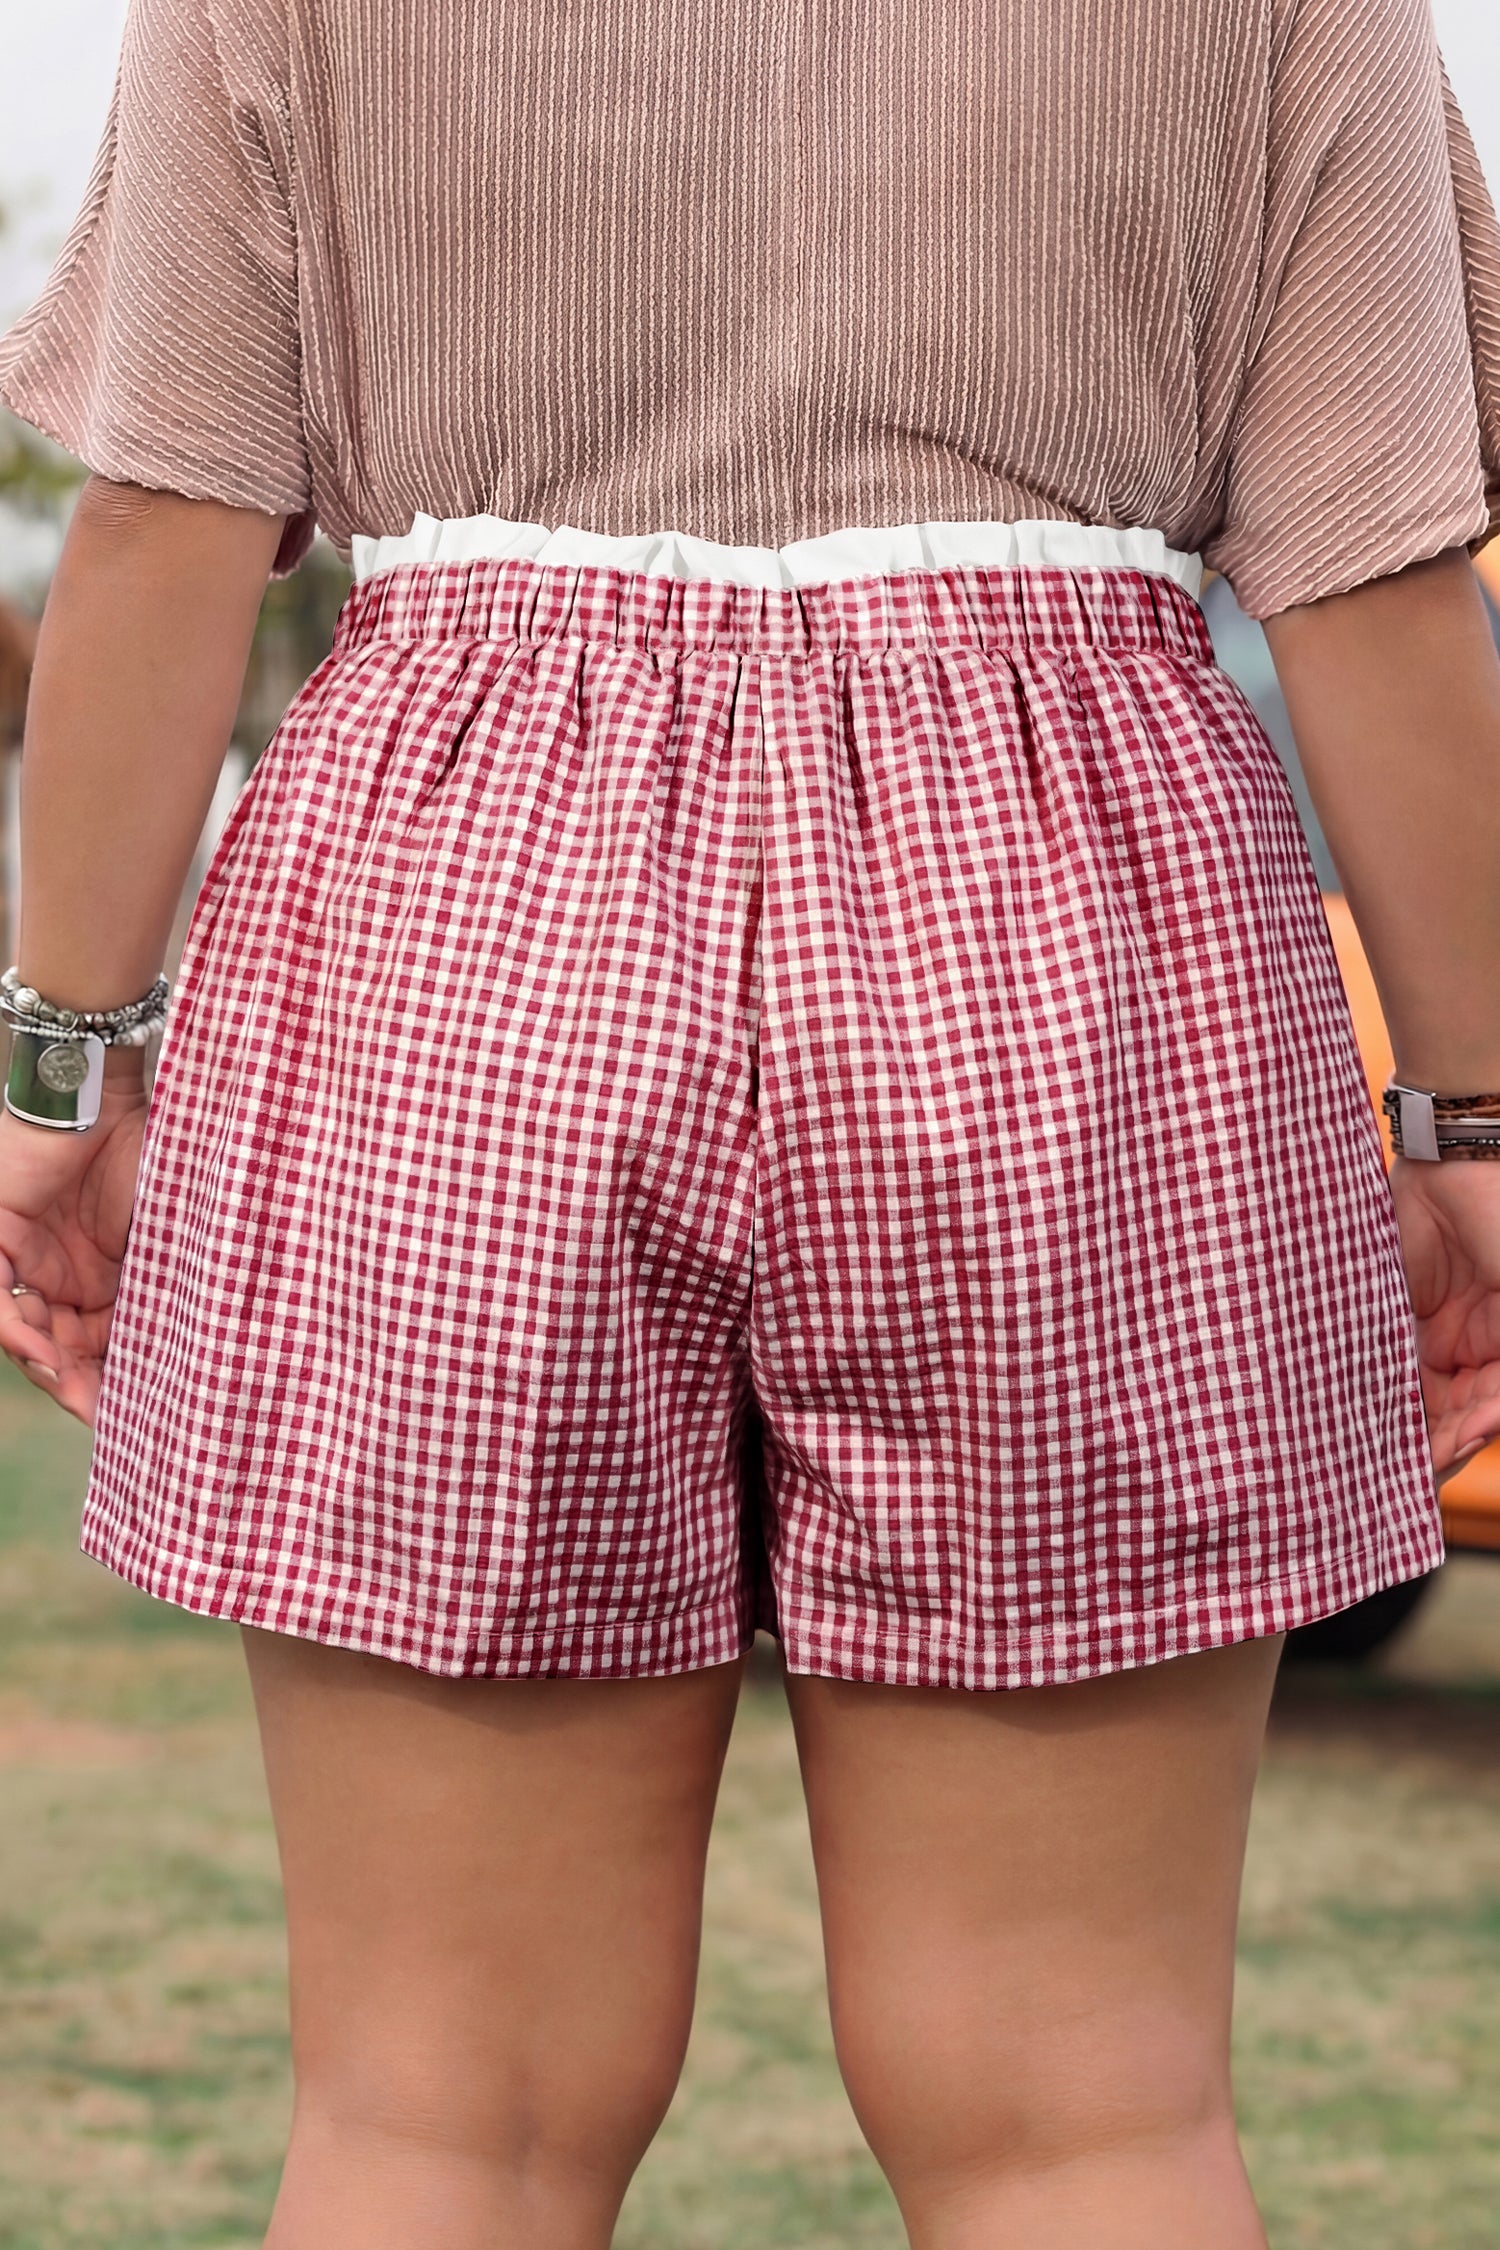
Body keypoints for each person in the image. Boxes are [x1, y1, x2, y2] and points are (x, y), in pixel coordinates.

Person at [1, 0, 1499, 2243]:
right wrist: (1474, 1115)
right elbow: (1375, 572)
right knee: (1082, 2116)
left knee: (440, 2116)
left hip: (466, 918)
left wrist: (60, 1066)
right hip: (1063, 931)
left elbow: (155, 520)